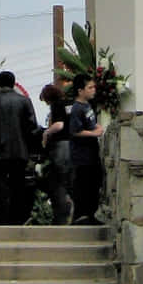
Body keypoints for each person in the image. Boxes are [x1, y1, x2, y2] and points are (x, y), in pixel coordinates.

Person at [0, 71, 41, 225]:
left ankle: (1, 221)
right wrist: (29, 148)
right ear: (14, 83)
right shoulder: (24, 101)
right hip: (19, 152)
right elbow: (32, 127)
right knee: (18, 187)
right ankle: (17, 220)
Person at [67, 77, 104, 223]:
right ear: (80, 91)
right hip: (82, 155)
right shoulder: (76, 108)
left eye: (93, 87)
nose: (93, 90)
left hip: (92, 152)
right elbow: (75, 131)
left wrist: (97, 128)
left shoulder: (88, 106)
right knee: (84, 185)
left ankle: (92, 213)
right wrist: (94, 133)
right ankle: (82, 215)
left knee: (94, 184)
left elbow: (90, 124)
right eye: (89, 88)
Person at [38, 84, 73, 224]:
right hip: (71, 146)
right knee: (67, 179)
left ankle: (62, 213)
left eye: (46, 101)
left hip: (60, 147)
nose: (46, 104)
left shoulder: (56, 105)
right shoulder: (68, 104)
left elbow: (59, 125)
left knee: (58, 181)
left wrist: (46, 133)